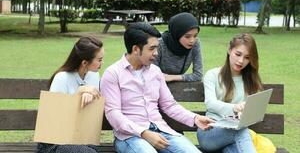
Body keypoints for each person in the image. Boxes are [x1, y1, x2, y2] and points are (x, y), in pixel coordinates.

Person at [100, 22, 213, 153]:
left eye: (157, 48)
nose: (156, 53)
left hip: (162, 131)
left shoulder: (155, 71)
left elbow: (169, 105)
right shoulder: (113, 73)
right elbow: (113, 114)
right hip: (130, 137)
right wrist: (144, 133)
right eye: (151, 48)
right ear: (136, 49)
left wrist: (195, 118)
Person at [36, 36, 104, 153]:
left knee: (91, 150)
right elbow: (54, 119)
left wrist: (91, 97)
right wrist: (79, 93)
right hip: (54, 143)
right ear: (84, 62)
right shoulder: (61, 78)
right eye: (99, 60)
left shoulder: (94, 75)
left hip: (83, 138)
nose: (102, 63)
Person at [197, 33, 262, 153]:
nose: (241, 60)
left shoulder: (251, 80)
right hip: (210, 131)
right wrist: (235, 108)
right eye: (238, 54)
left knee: (233, 147)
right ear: (229, 50)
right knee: (241, 131)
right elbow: (210, 103)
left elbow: (253, 111)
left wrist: (247, 113)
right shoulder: (213, 75)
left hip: (234, 135)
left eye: (247, 57)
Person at [153, 12, 203, 82]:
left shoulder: (196, 43)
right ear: (177, 34)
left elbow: (198, 75)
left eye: (195, 36)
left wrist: (172, 77)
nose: (192, 40)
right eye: (187, 36)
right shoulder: (159, 43)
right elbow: (152, 74)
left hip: (177, 85)